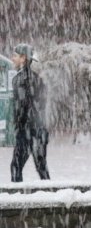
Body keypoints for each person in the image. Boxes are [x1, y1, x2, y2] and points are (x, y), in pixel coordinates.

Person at [10, 43, 50, 182]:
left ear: (23, 58)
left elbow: (21, 106)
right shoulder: (37, 78)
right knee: (41, 167)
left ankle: (17, 199)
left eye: (15, 56)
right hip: (38, 129)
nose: (12, 58)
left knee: (16, 166)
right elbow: (41, 104)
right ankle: (51, 196)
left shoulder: (20, 79)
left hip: (27, 130)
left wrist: (18, 127)